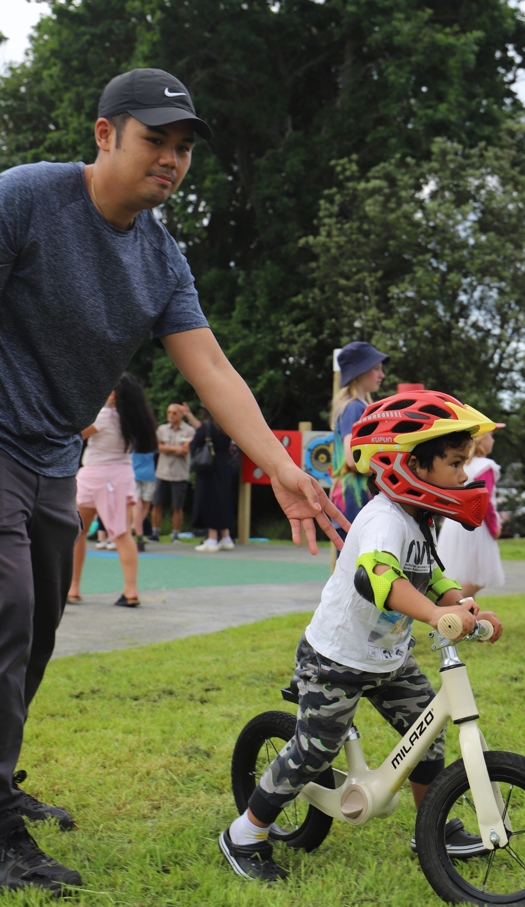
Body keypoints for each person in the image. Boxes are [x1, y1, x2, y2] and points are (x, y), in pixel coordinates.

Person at [0, 67, 346, 894]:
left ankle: (0, 777)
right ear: (104, 133)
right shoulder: (26, 199)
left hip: (55, 458)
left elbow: (213, 367)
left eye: (184, 147)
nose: (172, 159)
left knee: (39, 623)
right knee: (5, 607)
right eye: (156, 139)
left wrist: (282, 467)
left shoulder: (159, 257)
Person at [219, 389, 503, 883]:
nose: (465, 475)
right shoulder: (382, 520)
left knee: (428, 738)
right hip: (335, 659)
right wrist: (435, 617)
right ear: (413, 463)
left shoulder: (420, 517)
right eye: (456, 463)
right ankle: (245, 833)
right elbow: (380, 580)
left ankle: (430, 829)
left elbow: (430, 574)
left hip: (388, 659)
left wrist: (459, 601)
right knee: (314, 749)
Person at [68, 373, 157, 607]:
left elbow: (75, 434)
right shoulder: (132, 420)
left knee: (79, 533)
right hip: (118, 476)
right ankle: (129, 590)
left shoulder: (105, 415)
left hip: (95, 476)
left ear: (115, 394)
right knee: (119, 533)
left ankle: (73, 587)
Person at [329, 342, 389, 540]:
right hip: (353, 500)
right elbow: (352, 459)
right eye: (376, 368)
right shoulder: (354, 407)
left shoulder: (362, 405)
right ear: (360, 371)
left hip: (357, 500)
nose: (382, 375)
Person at [438, 426, 505, 598]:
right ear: (482, 440)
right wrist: (494, 527)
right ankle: (451, 608)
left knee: (463, 574)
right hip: (475, 526)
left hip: (453, 523)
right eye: (491, 436)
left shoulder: (459, 465)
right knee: (479, 576)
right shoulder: (485, 466)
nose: (494, 441)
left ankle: (466, 619)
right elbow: (486, 501)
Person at [150, 402, 195, 542]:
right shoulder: (162, 429)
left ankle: (175, 534)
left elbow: (185, 450)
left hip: (179, 474)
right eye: (169, 412)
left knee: (177, 506)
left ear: (181, 415)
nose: (171, 415)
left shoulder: (189, 431)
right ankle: (155, 532)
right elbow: (157, 447)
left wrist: (167, 447)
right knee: (157, 503)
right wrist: (175, 449)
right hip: (162, 472)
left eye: (174, 413)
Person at [191, 417, 237, 551]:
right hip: (223, 467)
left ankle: (212, 538)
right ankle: (226, 537)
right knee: (223, 501)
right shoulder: (227, 426)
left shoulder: (206, 427)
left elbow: (194, 445)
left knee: (209, 501)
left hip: (208, 469)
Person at [132, 446, 157, 552]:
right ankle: (138, 536)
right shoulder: (151, 439)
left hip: (134, 474)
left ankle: (135, 532)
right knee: (144, 506)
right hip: (148, 475)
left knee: (138, 506)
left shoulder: (131, 439)